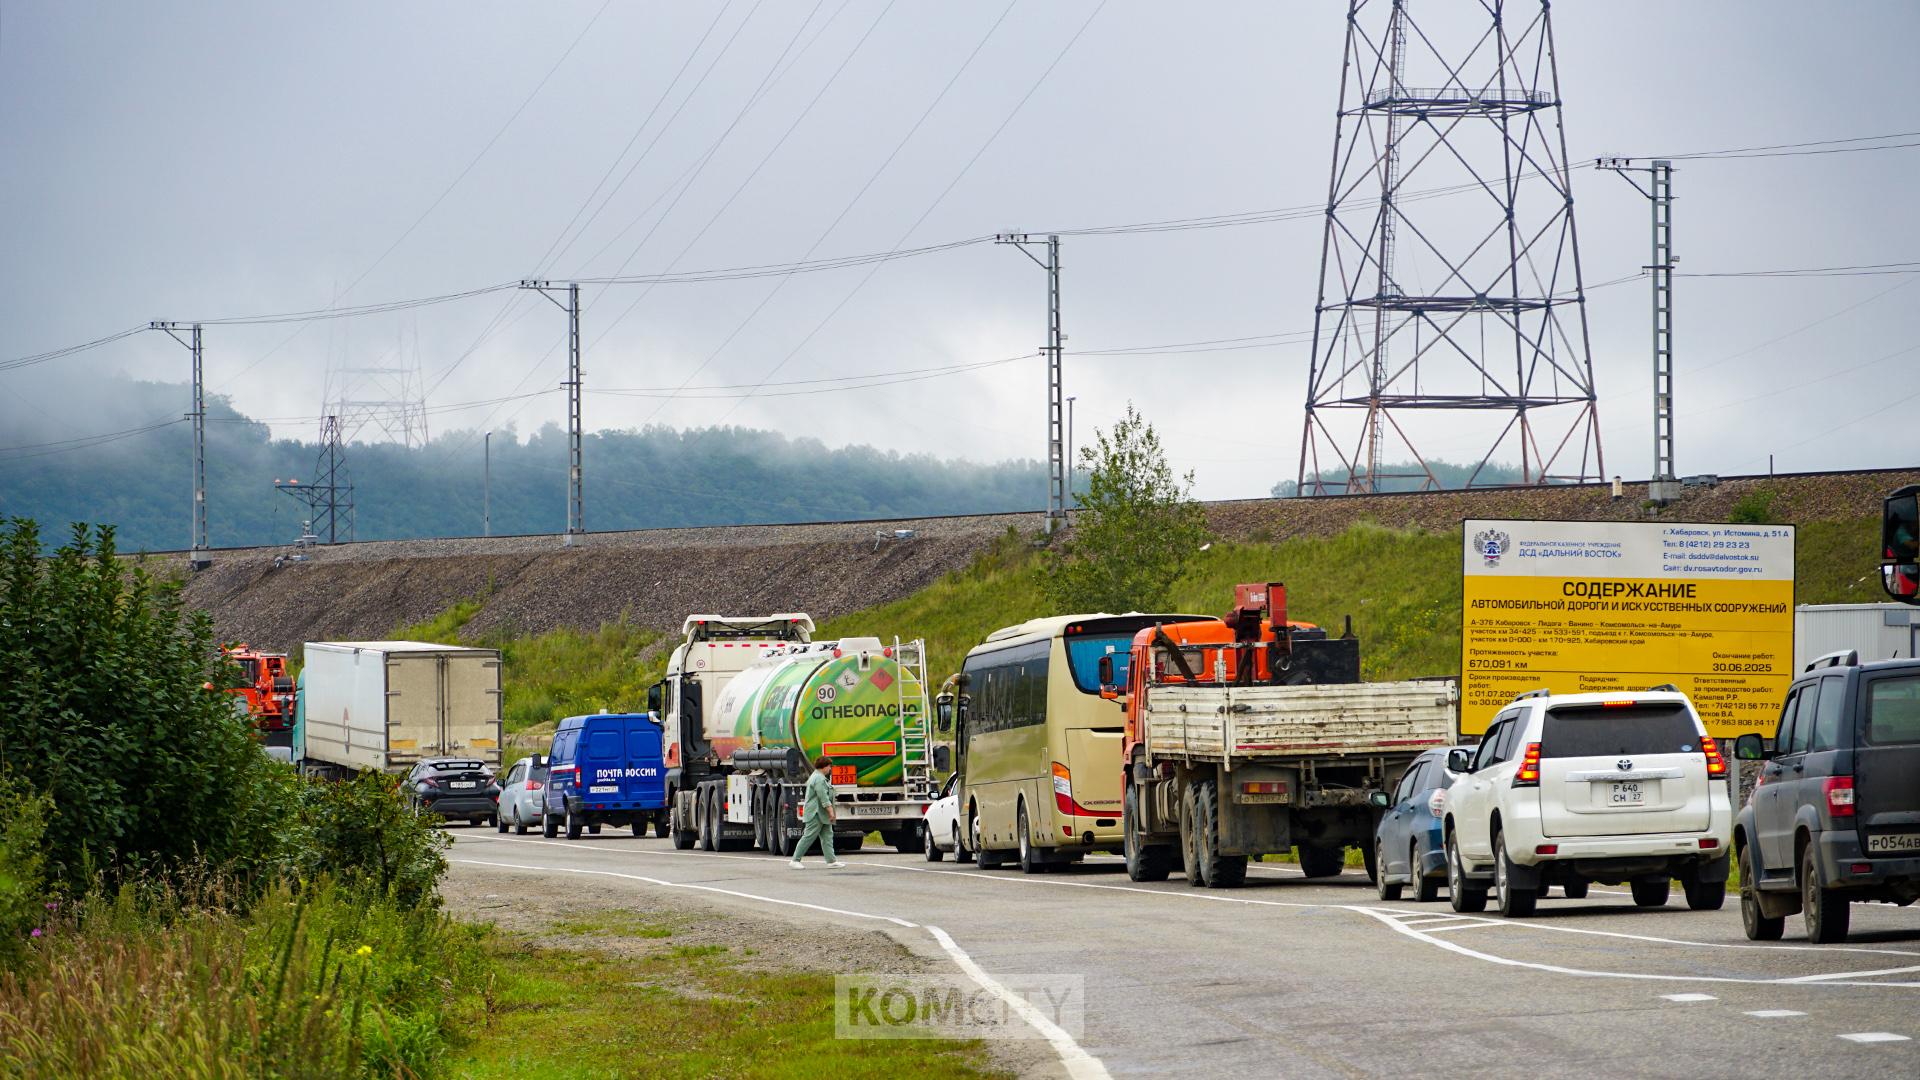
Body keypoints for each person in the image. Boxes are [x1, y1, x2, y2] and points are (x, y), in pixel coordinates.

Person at [789, 754, 846, 869]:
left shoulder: (818, 777)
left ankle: (831, 861)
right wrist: (831, 811)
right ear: (824, 767)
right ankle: (795, 860)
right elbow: (823, 797)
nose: (830, 769)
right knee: (809, 836)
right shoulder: (818, 778)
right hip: (816, 813)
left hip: (822, 814)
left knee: (827, 837)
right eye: (829, 767)